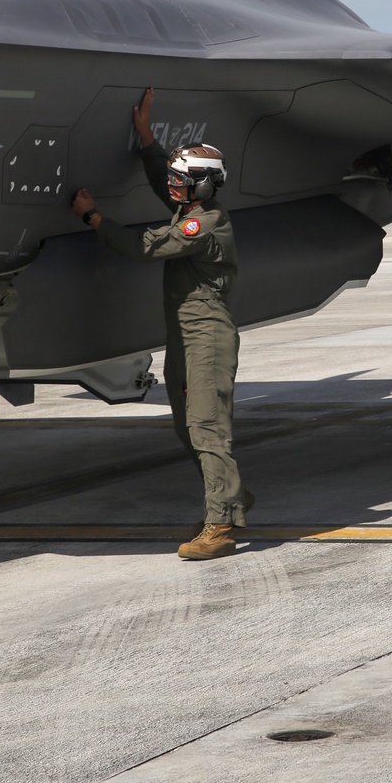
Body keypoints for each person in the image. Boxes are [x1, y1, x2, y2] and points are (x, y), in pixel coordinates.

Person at [72, 87, 251, 561]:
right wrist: (147, 136)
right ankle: (229, 497)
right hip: (185, 334)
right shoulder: (189, 207)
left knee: (207, 426)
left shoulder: (202, 224)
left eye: (180, 181)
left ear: (203, 188)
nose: (171, 186)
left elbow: (143, 247)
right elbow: (159, 182)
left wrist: (93, 217)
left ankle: (221, 525)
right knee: (185, 426)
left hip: (207, 336)